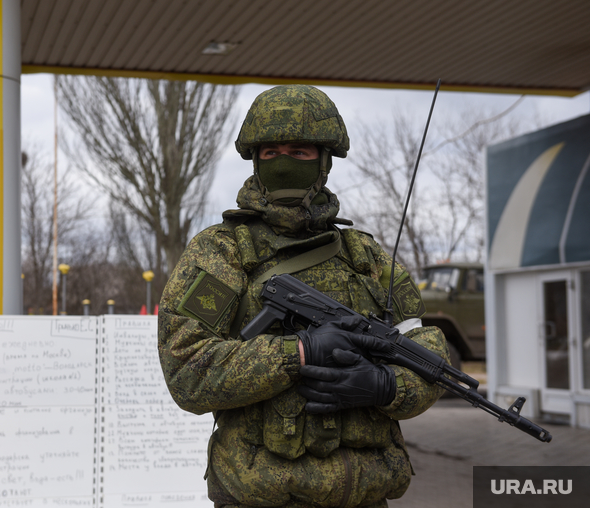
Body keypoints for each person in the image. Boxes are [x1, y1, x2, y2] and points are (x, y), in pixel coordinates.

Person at [158, 85, 449, 508]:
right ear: (255, 160)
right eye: (271, 153)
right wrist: (299, 352)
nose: (283, 164)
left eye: (299, 152)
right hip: (264, 497)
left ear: (325, 161)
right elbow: (188, 372)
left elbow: (425, 350)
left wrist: (387, 386)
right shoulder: (224, 252)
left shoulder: (364, 257)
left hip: (369, 495)